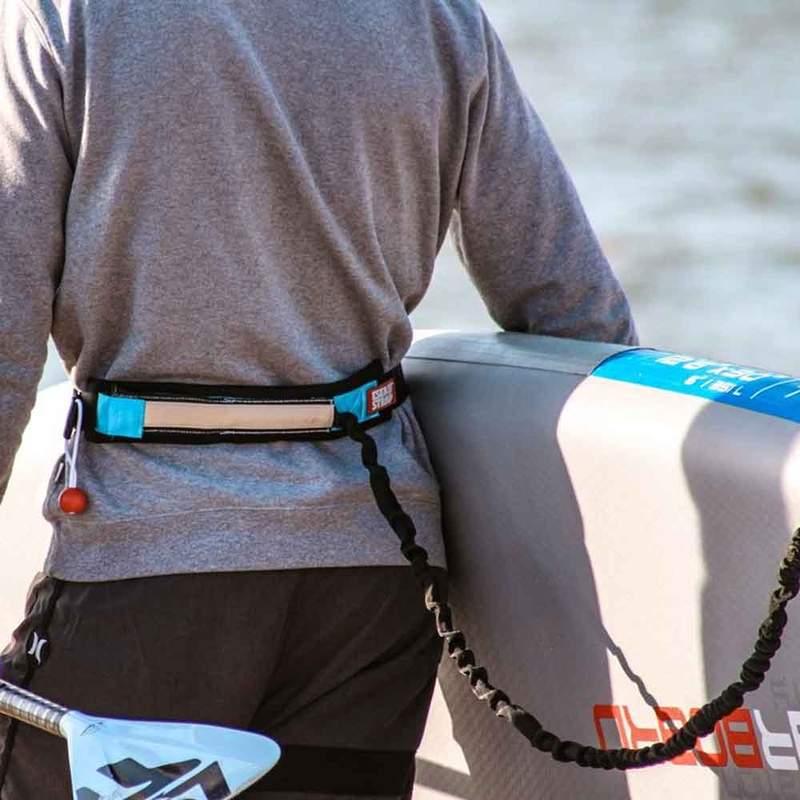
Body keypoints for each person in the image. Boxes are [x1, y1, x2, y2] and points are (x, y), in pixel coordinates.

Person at [0, 1, 637, 797]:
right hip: (372, 575)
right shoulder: (437, 18)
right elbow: (576, 315)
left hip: (150, 559)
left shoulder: (65, 14)